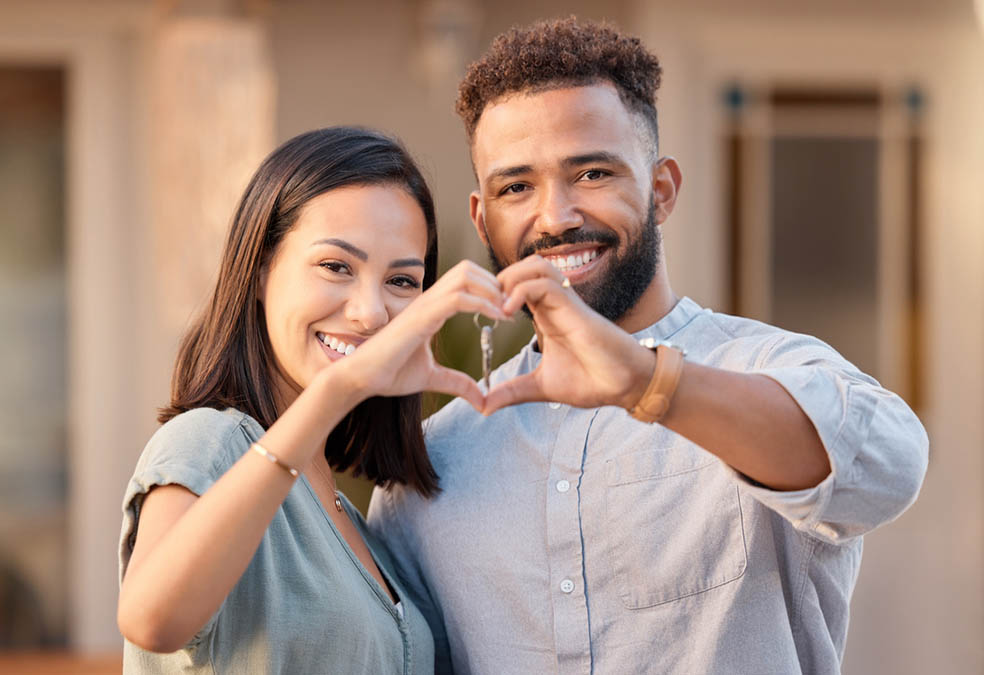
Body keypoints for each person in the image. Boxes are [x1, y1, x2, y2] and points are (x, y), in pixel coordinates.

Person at [367, 17, 929, 674]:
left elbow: (887, 466)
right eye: (516, 186)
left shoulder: (768, 370)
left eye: (593, 172)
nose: (555, 217)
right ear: (482, 216)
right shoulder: (430, 466)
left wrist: (646, 381)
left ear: (660, 190)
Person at [116, 126, 508, 673]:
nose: (370, 313)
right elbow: (152, 620)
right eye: (336, 267)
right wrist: (338, 389)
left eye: (401, 281)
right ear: (259, 271)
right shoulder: (209, 441)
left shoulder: (349, 513)